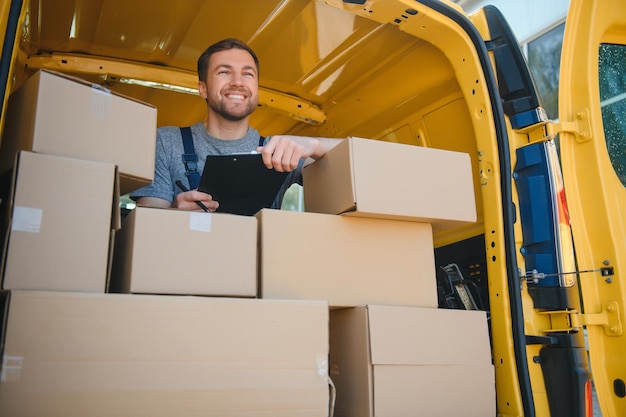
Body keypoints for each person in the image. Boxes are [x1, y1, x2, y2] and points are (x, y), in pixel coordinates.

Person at [130, 38, 341, 212]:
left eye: (248, 74)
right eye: (224, 72)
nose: (238, 82)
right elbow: (146, 223)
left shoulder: (280, 151)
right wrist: (176, 212)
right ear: (202, 88)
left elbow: (362, 160)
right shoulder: (166, 142)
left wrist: (312, 145)